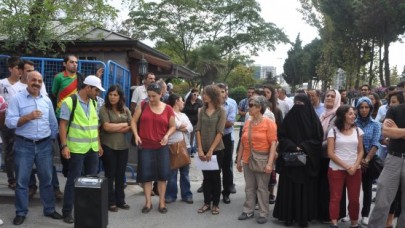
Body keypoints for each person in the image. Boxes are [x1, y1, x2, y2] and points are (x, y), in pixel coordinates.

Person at [5, 71, 62, 225]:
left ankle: (49, 209)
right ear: (27, 80)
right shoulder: (17, 99)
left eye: (40, 81)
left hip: (44, 145)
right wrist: (27, 117)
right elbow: (9, 122)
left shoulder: (46, 100)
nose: (37, 83)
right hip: (24, 145)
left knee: (47, 180)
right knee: (22, 181)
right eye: (34, 80)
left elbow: (53, 123)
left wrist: (51, 141)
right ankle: (21, 212)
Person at [59, 75, 105, 224]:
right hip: (76, 149)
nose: (97, 93)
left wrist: (98, 144)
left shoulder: (94, 103)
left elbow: (95, 126)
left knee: (91, 181)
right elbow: (63, 125)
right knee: (74, 180)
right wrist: (64, 146)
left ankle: (88, 210)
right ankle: (67, 212)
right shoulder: (69, 102)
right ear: (87, 88)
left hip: (92, 148)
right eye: (96, 90)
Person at [273, 94, 324, 227]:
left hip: (307, 162)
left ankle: (304, 217)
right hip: (291, 161)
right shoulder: (289, 119)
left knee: (305, 189)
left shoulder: (314, 120)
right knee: (289, 188)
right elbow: (282, 136)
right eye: (296, 103)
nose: (298, 106)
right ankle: (288, 216)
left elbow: (318, 139)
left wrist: (303, 146)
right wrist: (292, 146)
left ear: (307, 104)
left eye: (301, 103)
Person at [131, 82, 176, 214]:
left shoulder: (168, 108)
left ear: (161, 94)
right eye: (149, 96)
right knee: (146, 175)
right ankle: (148, 202)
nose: (150, 99)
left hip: (161, 146)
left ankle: (161, 203)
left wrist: (167, 135)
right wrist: (136, 135)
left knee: (162, 176)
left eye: (153, 96)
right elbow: (133, 121)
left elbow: (172, 126)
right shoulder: (143, 105)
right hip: (145, 145)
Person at [236, 95, 277, 224]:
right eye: (249, 104)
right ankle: (248, 210)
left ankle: (263, 212)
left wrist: (270, 163)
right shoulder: (248, 122)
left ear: (259, 107)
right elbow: (242, 142)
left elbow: (273, 144)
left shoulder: (269, 123)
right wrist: (238, 160)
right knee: (249, 187)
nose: (248, 107)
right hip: (248, 158)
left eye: (251, 105)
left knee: (262, 188)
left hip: (262, 159)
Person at [368, 90, 405, 228]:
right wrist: (394, 131)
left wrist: (398, 131)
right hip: (392, 159)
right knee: (382, 201)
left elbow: (393, 132)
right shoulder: (394, 110)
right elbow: (386, 132)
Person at [327, 105, 364, 228]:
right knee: (335, 197)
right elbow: (330, 153)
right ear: (343, 116)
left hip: (355, 170)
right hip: (336, 169)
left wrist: (355, 166)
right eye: (350, 114)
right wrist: (347, 167)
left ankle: (354, 222)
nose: (353, 116)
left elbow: (361, 151)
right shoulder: (333, 131)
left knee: (354, 198)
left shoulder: (358, 131)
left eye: (354, 114)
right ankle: (334, 222)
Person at [99, 85, 132, 212]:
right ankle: (110, 201)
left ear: (120, 96)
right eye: (110, 94)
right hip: (108, 146)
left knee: (120, 174)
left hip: (123, 147)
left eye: (115, 95)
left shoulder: (125, 110)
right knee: (110, 174)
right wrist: (124, 124)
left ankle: (121, 201)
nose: (112, 97)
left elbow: (131, 126)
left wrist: (116, 126)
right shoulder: (104, 109)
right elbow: (106, 127)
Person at [196, 84, 226, 215]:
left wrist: (210, 151)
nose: (203, 96)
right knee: (206, 177)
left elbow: (220, 132)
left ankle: (216, 204)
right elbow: (198, 130)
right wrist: (200, 149)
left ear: (213, 95)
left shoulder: (221, 111)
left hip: (217, 149)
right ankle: (206, 202)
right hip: (203, 148)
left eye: (205, 94)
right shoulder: (202, 110)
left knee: (215, 177)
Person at [318, 90, 346, 222]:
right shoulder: (323, 115)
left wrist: (315, 146)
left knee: (333, 188)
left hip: (332, 157)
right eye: (327, 95)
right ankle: (323, 213)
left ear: (337, 99)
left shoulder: (338, 116)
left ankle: (332, 215)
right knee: (323, 187)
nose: (329, 98)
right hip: (321, 157)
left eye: (332, 96)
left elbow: (332, 138)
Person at [355, 97, 381, 226]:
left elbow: (376, 144)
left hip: (369, 159)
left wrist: (366, 159)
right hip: (354, 159)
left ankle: (365, 215)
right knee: (353, 188)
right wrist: (359, 160)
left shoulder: (375, 124)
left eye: (366, 107)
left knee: (367, 188)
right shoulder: (353, 123)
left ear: (370, 109)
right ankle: (352, 214)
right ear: (358, 109)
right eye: (361, 107)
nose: (364, 110)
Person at [165, 93, 194, 204]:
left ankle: (186, 195)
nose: (183, 103)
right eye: (182, 100)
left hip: (185, 146)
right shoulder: (169, 113)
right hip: (173, 146)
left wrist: (180, 127)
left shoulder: (183, 115)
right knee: (172, 172)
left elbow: (190, 127)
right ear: (177, 101)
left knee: (185, 173)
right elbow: (176, 125)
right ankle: (171, 195)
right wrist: (181, 126)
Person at [0, 56, 20, 190]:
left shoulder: (24, 85)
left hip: (21, 122)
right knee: (9, 150)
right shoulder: (2, 84)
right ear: (10, 69)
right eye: (17, 68)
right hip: (6, 122)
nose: (20, 71)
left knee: (21, 151)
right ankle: (11, 178)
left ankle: (21, 177)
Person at [217, 83, 237, 203]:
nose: (221, 94)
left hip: (226, 137)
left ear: (226, 92)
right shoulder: (210, 104)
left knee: (226, 166)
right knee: (214, 166)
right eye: (218, 91)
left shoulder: (231, 103)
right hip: (213, 138)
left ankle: (226, 192)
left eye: (223, 91)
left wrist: (214, 123)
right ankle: (214, 192)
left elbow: (230, 122)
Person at [263, 84, 282, 204]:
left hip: (273, 144)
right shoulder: (257, 109)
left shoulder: (276, 110)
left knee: (271, 170)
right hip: (260, 145)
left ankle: (271, 193)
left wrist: (276, 147)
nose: (265, 95)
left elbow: (279, 129)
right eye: (263, 93)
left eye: (267, 93)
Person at [183, 88, 203, 157]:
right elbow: (183, 111)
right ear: (191, 94)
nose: (196, 96)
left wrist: (199, 124)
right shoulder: (187, 102)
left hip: (195, 123)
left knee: (191, 138)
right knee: (185, 137)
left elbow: (199, 114)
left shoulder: (199, 102)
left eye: (197, 95)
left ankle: (190, 151)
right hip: (187, 122)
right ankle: (186, 151)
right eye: (194, 94)